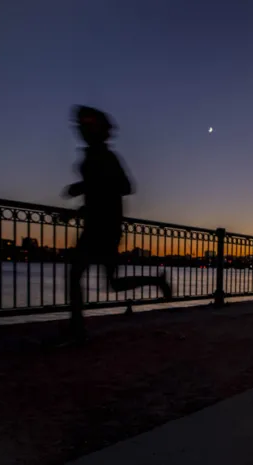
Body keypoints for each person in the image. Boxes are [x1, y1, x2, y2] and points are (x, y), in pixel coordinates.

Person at [61, 105, 171, 344]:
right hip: (99, 225)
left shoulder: (106, 157)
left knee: (79, 274)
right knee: (108, 282)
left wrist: (82, 187)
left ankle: (77, 328)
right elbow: (99, 197)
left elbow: (124, 187)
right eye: (80, 125)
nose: (81, 129)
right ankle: (156, 280)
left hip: (105, 228)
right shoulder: (94, 156)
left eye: (87, 125)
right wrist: (78, 208)